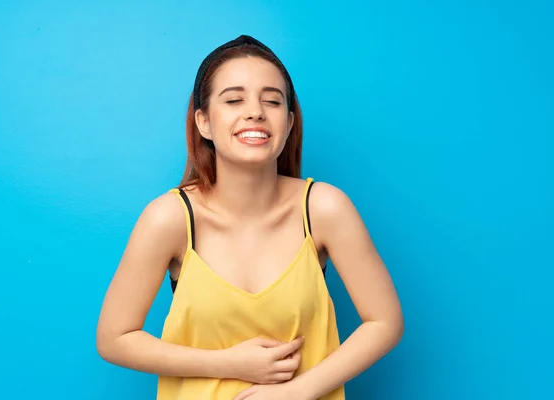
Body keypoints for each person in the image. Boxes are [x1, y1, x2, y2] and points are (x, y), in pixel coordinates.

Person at [96, 34, 404, 400]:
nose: (255, 111)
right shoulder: (169, 218)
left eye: (272, 101)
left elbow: (385, 322)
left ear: (289, 123)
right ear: (204, 122)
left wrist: (296, 392)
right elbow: (114, 338)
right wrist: (228, 364)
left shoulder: (324, 208)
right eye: (234, 99)